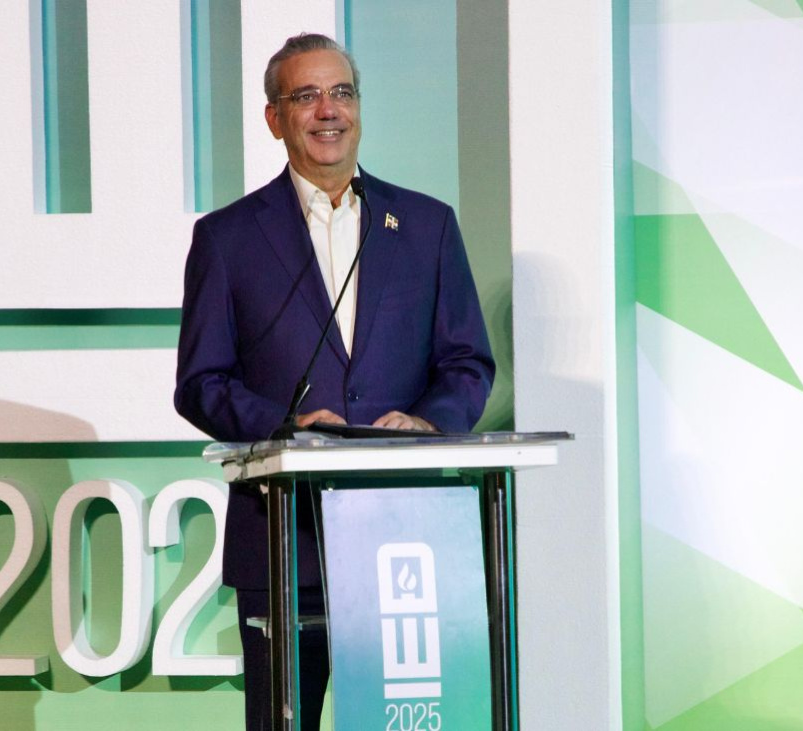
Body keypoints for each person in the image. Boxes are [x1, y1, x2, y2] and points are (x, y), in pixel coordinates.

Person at [174, 32, 494, 730]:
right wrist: (285, 430)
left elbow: (468, 362)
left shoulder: (426, 226)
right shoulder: (226, 238)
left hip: (405, 537)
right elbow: (200, 381)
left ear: (359, 109)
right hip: (284, 542)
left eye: (342, 92)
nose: (329, 110)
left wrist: (428, 422)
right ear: (275, 118)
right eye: (307, 96)